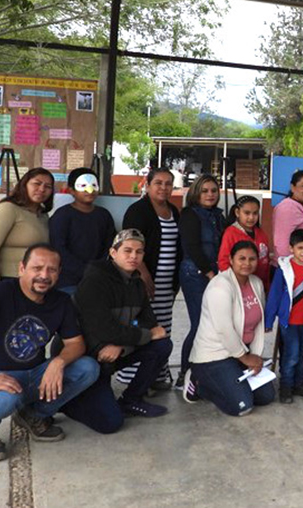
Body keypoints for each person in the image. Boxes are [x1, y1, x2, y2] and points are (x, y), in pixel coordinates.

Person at [0, 244, 99, 461]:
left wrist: (57, 363)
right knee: (4, 398)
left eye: (52, 270)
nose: (44, 275)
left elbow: (76, 343)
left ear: (59, 273)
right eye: (37, 268)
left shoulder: (61, 301)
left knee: (88, 368)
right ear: (22, 268)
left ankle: (33, 414)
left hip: (30, 375)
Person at [61, 230, 172, 431]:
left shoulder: (137, 283)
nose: (133, 256)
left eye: (139, 252)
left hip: (113, 350)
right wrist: (134, 334)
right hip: (89, 357)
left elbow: (149, 323)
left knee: (162, 344)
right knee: (111, 423)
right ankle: (67, 404)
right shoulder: (95, 281)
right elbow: (101, 329)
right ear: (113, 252)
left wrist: (121, 344)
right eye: (127, 251)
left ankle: (131, 400)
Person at [187, 241, 275, 416]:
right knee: (242, 406)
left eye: (252, 259)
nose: (247, 263)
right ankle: (199, 383)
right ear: (231, 260)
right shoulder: (220, 286)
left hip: (240, 355)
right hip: (215, 356)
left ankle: (231, 382)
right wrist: (246, 358)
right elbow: (224, 330)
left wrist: (255, 356)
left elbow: (258, 325)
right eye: (241, 258)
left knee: (266, 396)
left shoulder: (256, 283)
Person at [119, 167, 181, 389]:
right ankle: (134, 381)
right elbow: (131, 248)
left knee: (163, 328)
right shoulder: (138, 210)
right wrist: (143, 274)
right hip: (143, 281)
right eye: (159, 183)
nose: (163, 188)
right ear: (148, 184)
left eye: (168, 184)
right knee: (142, 328)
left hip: (167, 284)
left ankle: (156, 376)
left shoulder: (174, 211)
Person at [264, 229, 303, 403]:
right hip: (289, 322)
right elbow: (275, 295)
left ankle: (298, 383)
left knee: (301, 354)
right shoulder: (283, 269)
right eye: (300, 247)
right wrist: (269, 319)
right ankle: (286, 386)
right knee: (291, 355)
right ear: (291, 248)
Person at [177, 175, 225, 389]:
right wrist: (209, 274)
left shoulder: (218, 216)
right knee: (199, 324)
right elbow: (192, 247)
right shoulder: (189, 214)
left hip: (215, 274)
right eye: (205, 190)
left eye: (213, 190)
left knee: (215, 325)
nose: (210, 194)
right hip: (195, 274)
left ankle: (206, 371)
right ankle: (185, 372)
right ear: (196, 192)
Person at [0, 168, 54, 286]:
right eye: (37, 183)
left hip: (34, 282)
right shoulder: (7, 209)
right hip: (7, 280)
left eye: (48, 186)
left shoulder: (43, 216)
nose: (42, 189)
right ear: (24, 185)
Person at [48, 168, 116, 295]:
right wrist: (85, 271)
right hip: (68, 282)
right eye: (83, 185)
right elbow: (58, 248)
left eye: (93, 185)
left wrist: (99, 270)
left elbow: (111, 245)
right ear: (71, 190)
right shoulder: (62, 215)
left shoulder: (104, 215)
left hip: (99, 280)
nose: (89, 190)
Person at [218, 195, 271, 290]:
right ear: (237, 212)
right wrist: (234, 284)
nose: (251, 217)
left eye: (255, 213)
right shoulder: (230, 233)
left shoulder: (261, 233)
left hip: (259, 285)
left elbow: (266, 262)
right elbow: (223, 262)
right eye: (247, 213)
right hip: (238, 285)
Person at [272, 170, 303, 258]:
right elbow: (282, 246)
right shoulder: (287, 208)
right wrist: (293, 268)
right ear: (293, 187)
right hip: (292, 267)